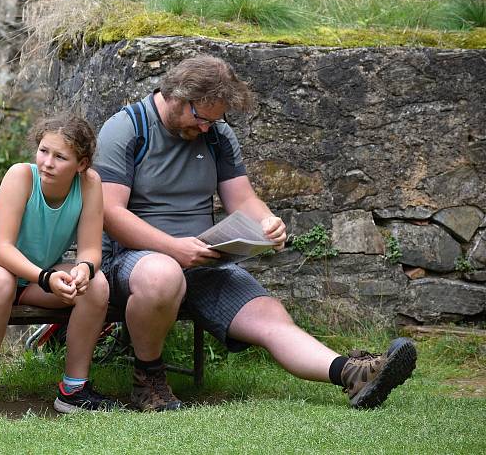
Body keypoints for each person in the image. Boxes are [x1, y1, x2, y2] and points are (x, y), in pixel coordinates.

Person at [94, 55, 417, 412]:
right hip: (132, 262)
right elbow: (110, 214)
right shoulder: (126, 128)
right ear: (176, 95)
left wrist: (267, 222)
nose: (206, 129)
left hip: (202, 261)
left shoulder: (216, 134)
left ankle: (352, 375)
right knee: (162, 273)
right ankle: (148, 381)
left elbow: (242, 198)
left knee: (269, 316)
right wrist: (173, 248)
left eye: (215, 121)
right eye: (201, 118)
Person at [0, 114, 117, 418]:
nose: (47, 163)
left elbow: (91, 249)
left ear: (81, 164)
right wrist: (46, 278)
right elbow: (1, 249)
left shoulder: (90, 183)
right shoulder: (21, 176)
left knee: (97, 285)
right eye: (43, 151)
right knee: (1, 280)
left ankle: (73, 390)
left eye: (60, 157)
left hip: (31, 281)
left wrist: (83, 269)